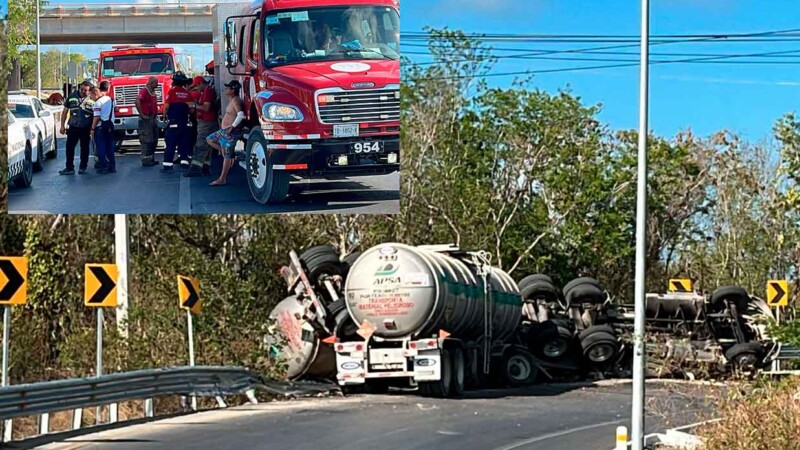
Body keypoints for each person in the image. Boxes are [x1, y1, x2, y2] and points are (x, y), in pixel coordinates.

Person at [207, 80, 244, 186]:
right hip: (224, 132)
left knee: (227, 156)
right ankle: (224, 151)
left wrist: (232, 127)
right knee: (210, 139)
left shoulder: (236, 100)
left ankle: (222, 179)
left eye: (228, 88)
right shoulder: (232, 100)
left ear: (232, 90)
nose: (225, 89)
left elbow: (240, 115)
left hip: (230, 133)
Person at [160, 71, 195, 173]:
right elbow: (192, 109)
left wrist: (164, 116)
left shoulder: (171, 92)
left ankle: (168, 166)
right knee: (184, 144)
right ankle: (184, 163)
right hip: (185, 123)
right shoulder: (188, 94)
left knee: (170, 144)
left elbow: (166, 107)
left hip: (174, 123)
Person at [184, 76, 218, 178]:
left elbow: (206, 108)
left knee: (201, 145)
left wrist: (193, 105)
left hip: (207, 123)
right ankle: (205, 167)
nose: (197, 89)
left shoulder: (207, 91)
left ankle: (195, 169)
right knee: (207, 146)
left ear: (200, 84)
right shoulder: (206, 91)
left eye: (196, 86)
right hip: (206, 122)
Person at [59, 80, 95, 175]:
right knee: (69, 147)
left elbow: (96, 115)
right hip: (73, 127)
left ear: (89, 90)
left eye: (85, 90)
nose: (83, 91)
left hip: (86, 128)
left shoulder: (93, 99)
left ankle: (83, 167)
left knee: (84, 148)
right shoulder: (72, 97)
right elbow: (64, 112)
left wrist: (93, 129)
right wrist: (62, 126)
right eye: (82, 89)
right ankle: (69, 167)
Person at [90, 81, 116, 174]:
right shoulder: (111, 100)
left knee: (101, 147)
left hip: (100, 127)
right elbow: (115, 109)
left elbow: (96, 117)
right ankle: (112, 167)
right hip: (110, 126)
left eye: (91, 96)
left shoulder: (98, 103)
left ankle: (103, 167)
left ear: (95, 94)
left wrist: (92, 128)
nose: (91, 98)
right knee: (110, 147)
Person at [135, 76, 160, 166]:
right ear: (151, 83)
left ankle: (151, 159)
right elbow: (138, 101)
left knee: (153, 139)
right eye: (156, 83)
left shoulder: (152, 91)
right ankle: (146, 160)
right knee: (146, 139)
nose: (157, 85)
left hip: (152, 118)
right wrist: (142, 114)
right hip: (146, 119)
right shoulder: (144, 91)